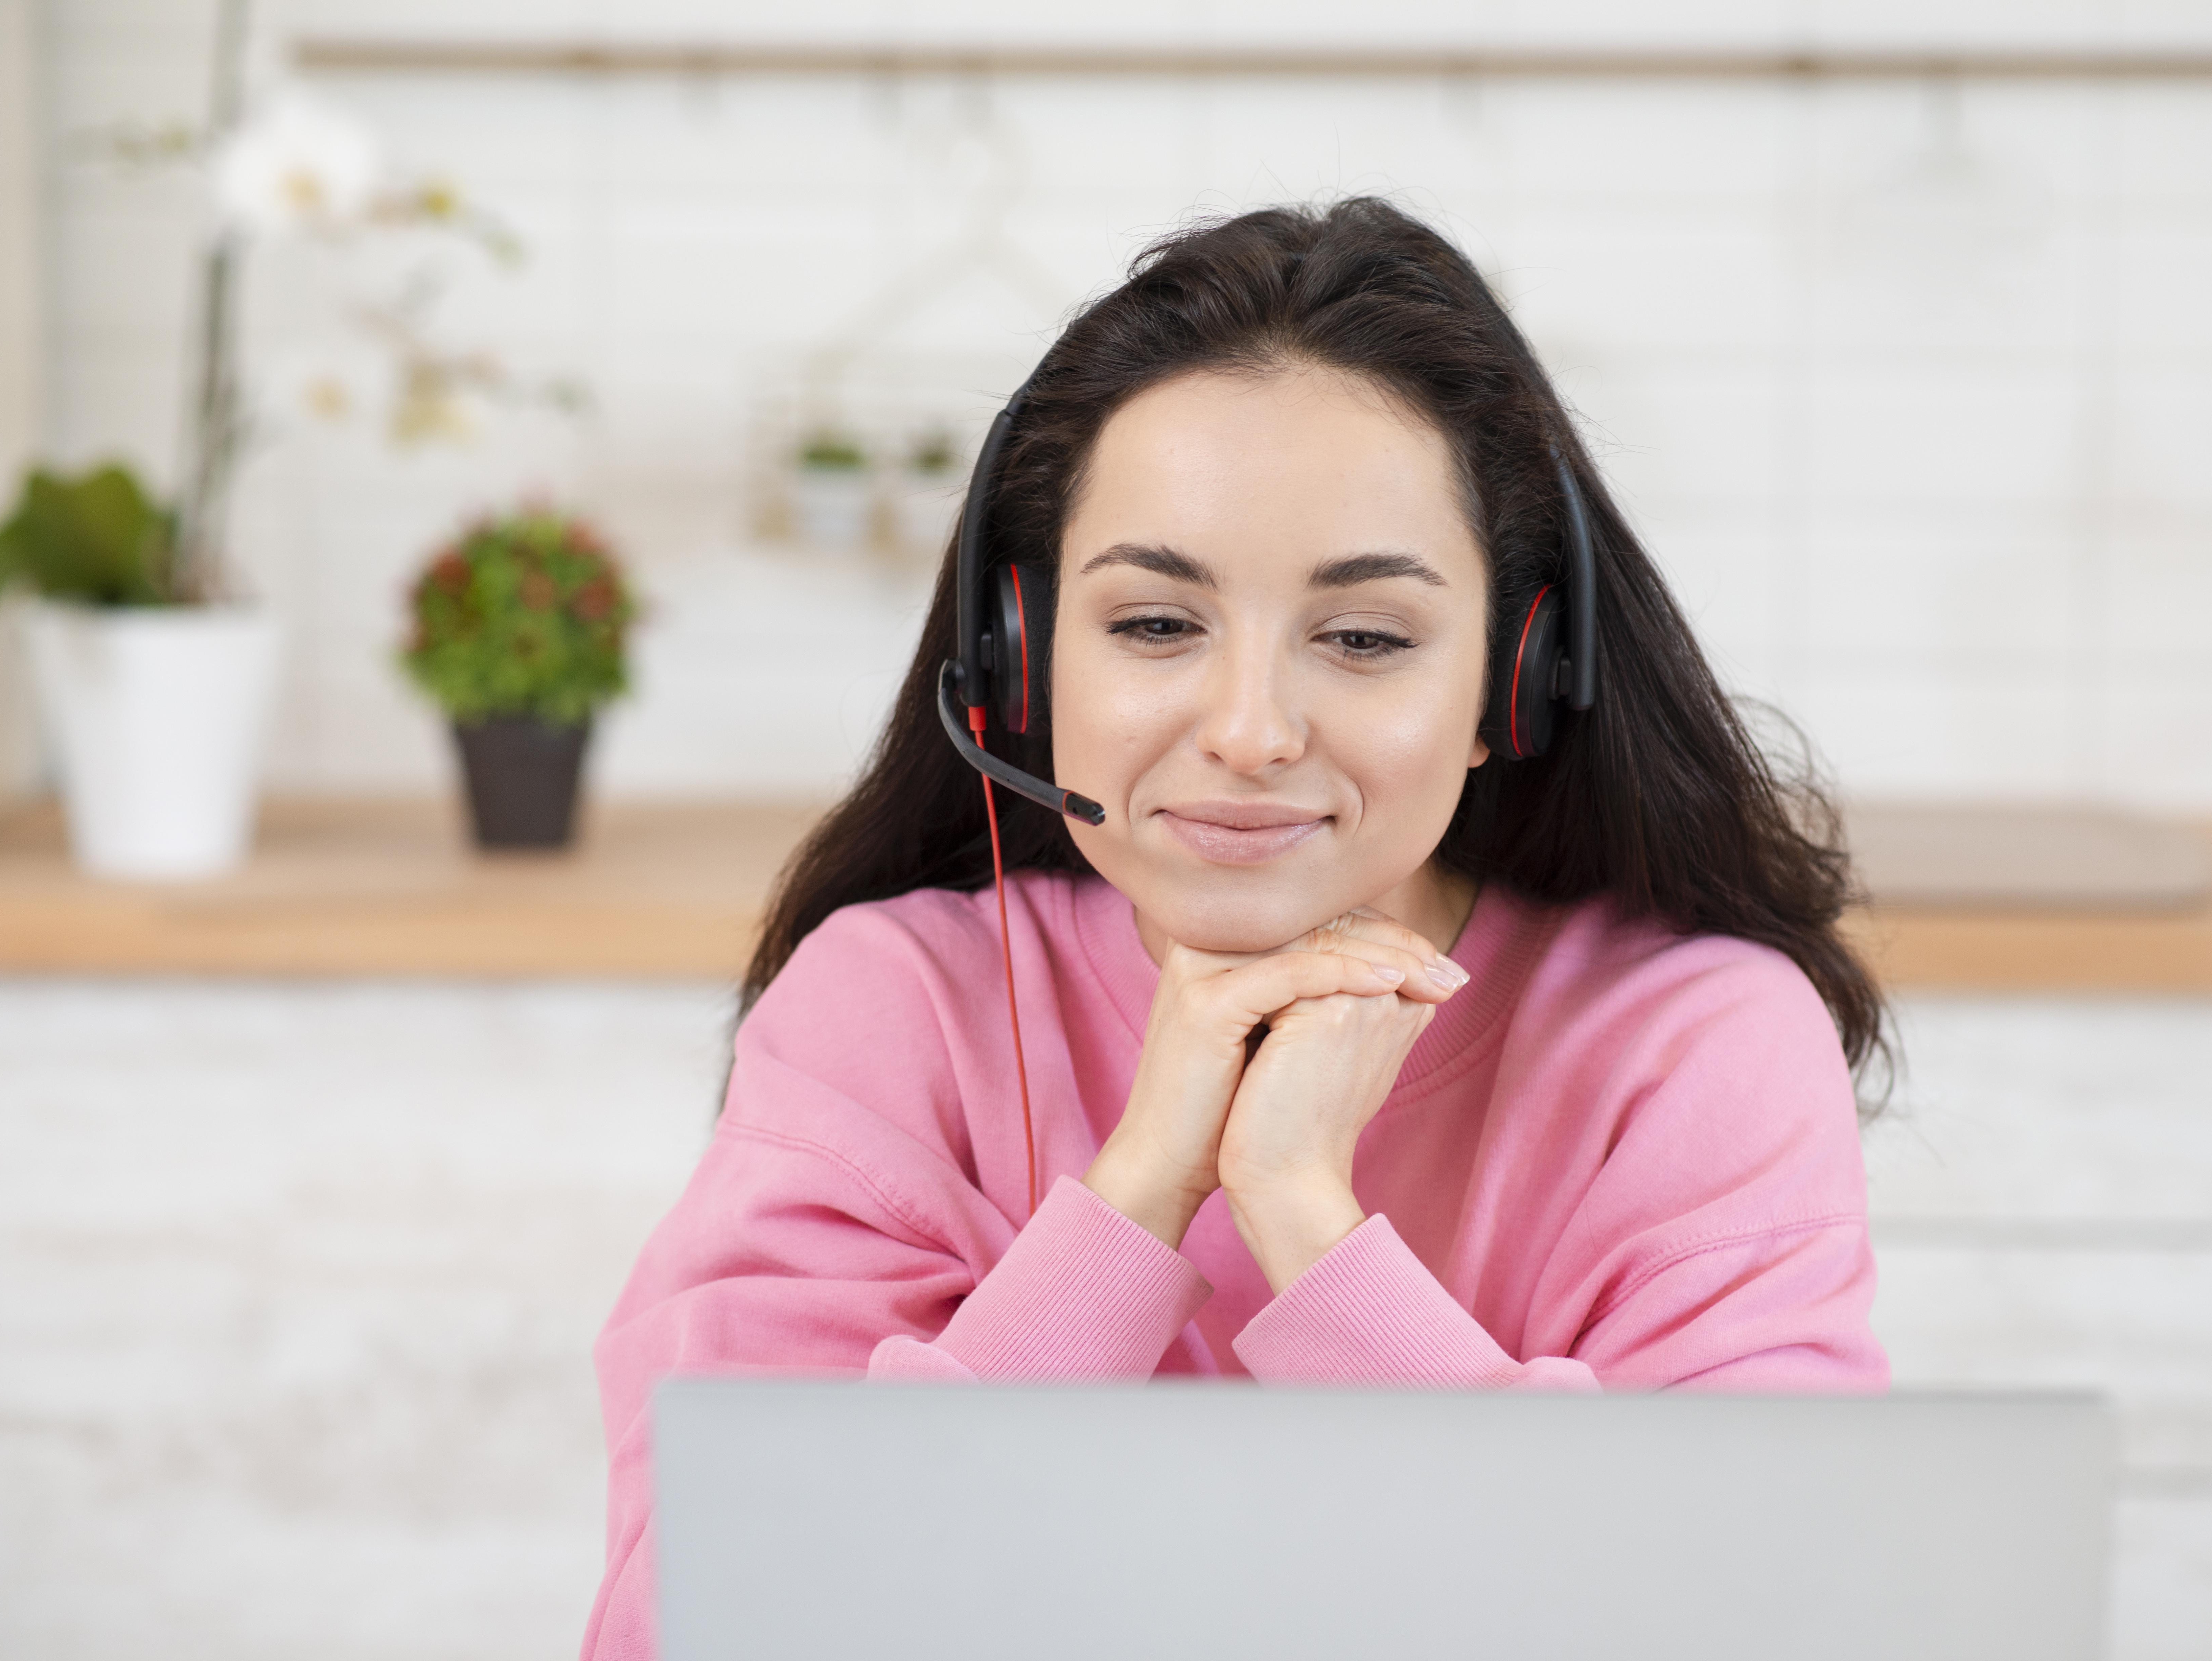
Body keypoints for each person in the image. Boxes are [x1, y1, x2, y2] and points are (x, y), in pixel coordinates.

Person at [582, 197, 1890, 1658]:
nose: (1253, 732)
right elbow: (701, 1624)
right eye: (1154, 625)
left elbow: (1754, 1621)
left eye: (1365, 638)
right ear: (1022, 664)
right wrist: (1138, 1192)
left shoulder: (1688, 1041)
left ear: (1507, 688)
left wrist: (1306, 1217)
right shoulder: (893, 1007)